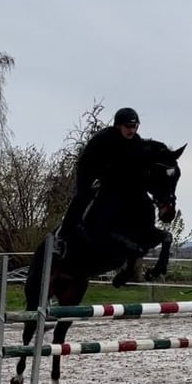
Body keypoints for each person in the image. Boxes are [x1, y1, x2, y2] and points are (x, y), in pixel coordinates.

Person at [57, 108, 148, 285]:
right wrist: (100, 179)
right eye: (128, 126)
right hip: (91, 172)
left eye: (135, 126)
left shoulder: (136, 141)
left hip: (115, 178)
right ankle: (62, 236)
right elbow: (89, 162)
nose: (132, 130)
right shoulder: (104, 138)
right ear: (118, 126)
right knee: (81, 197)